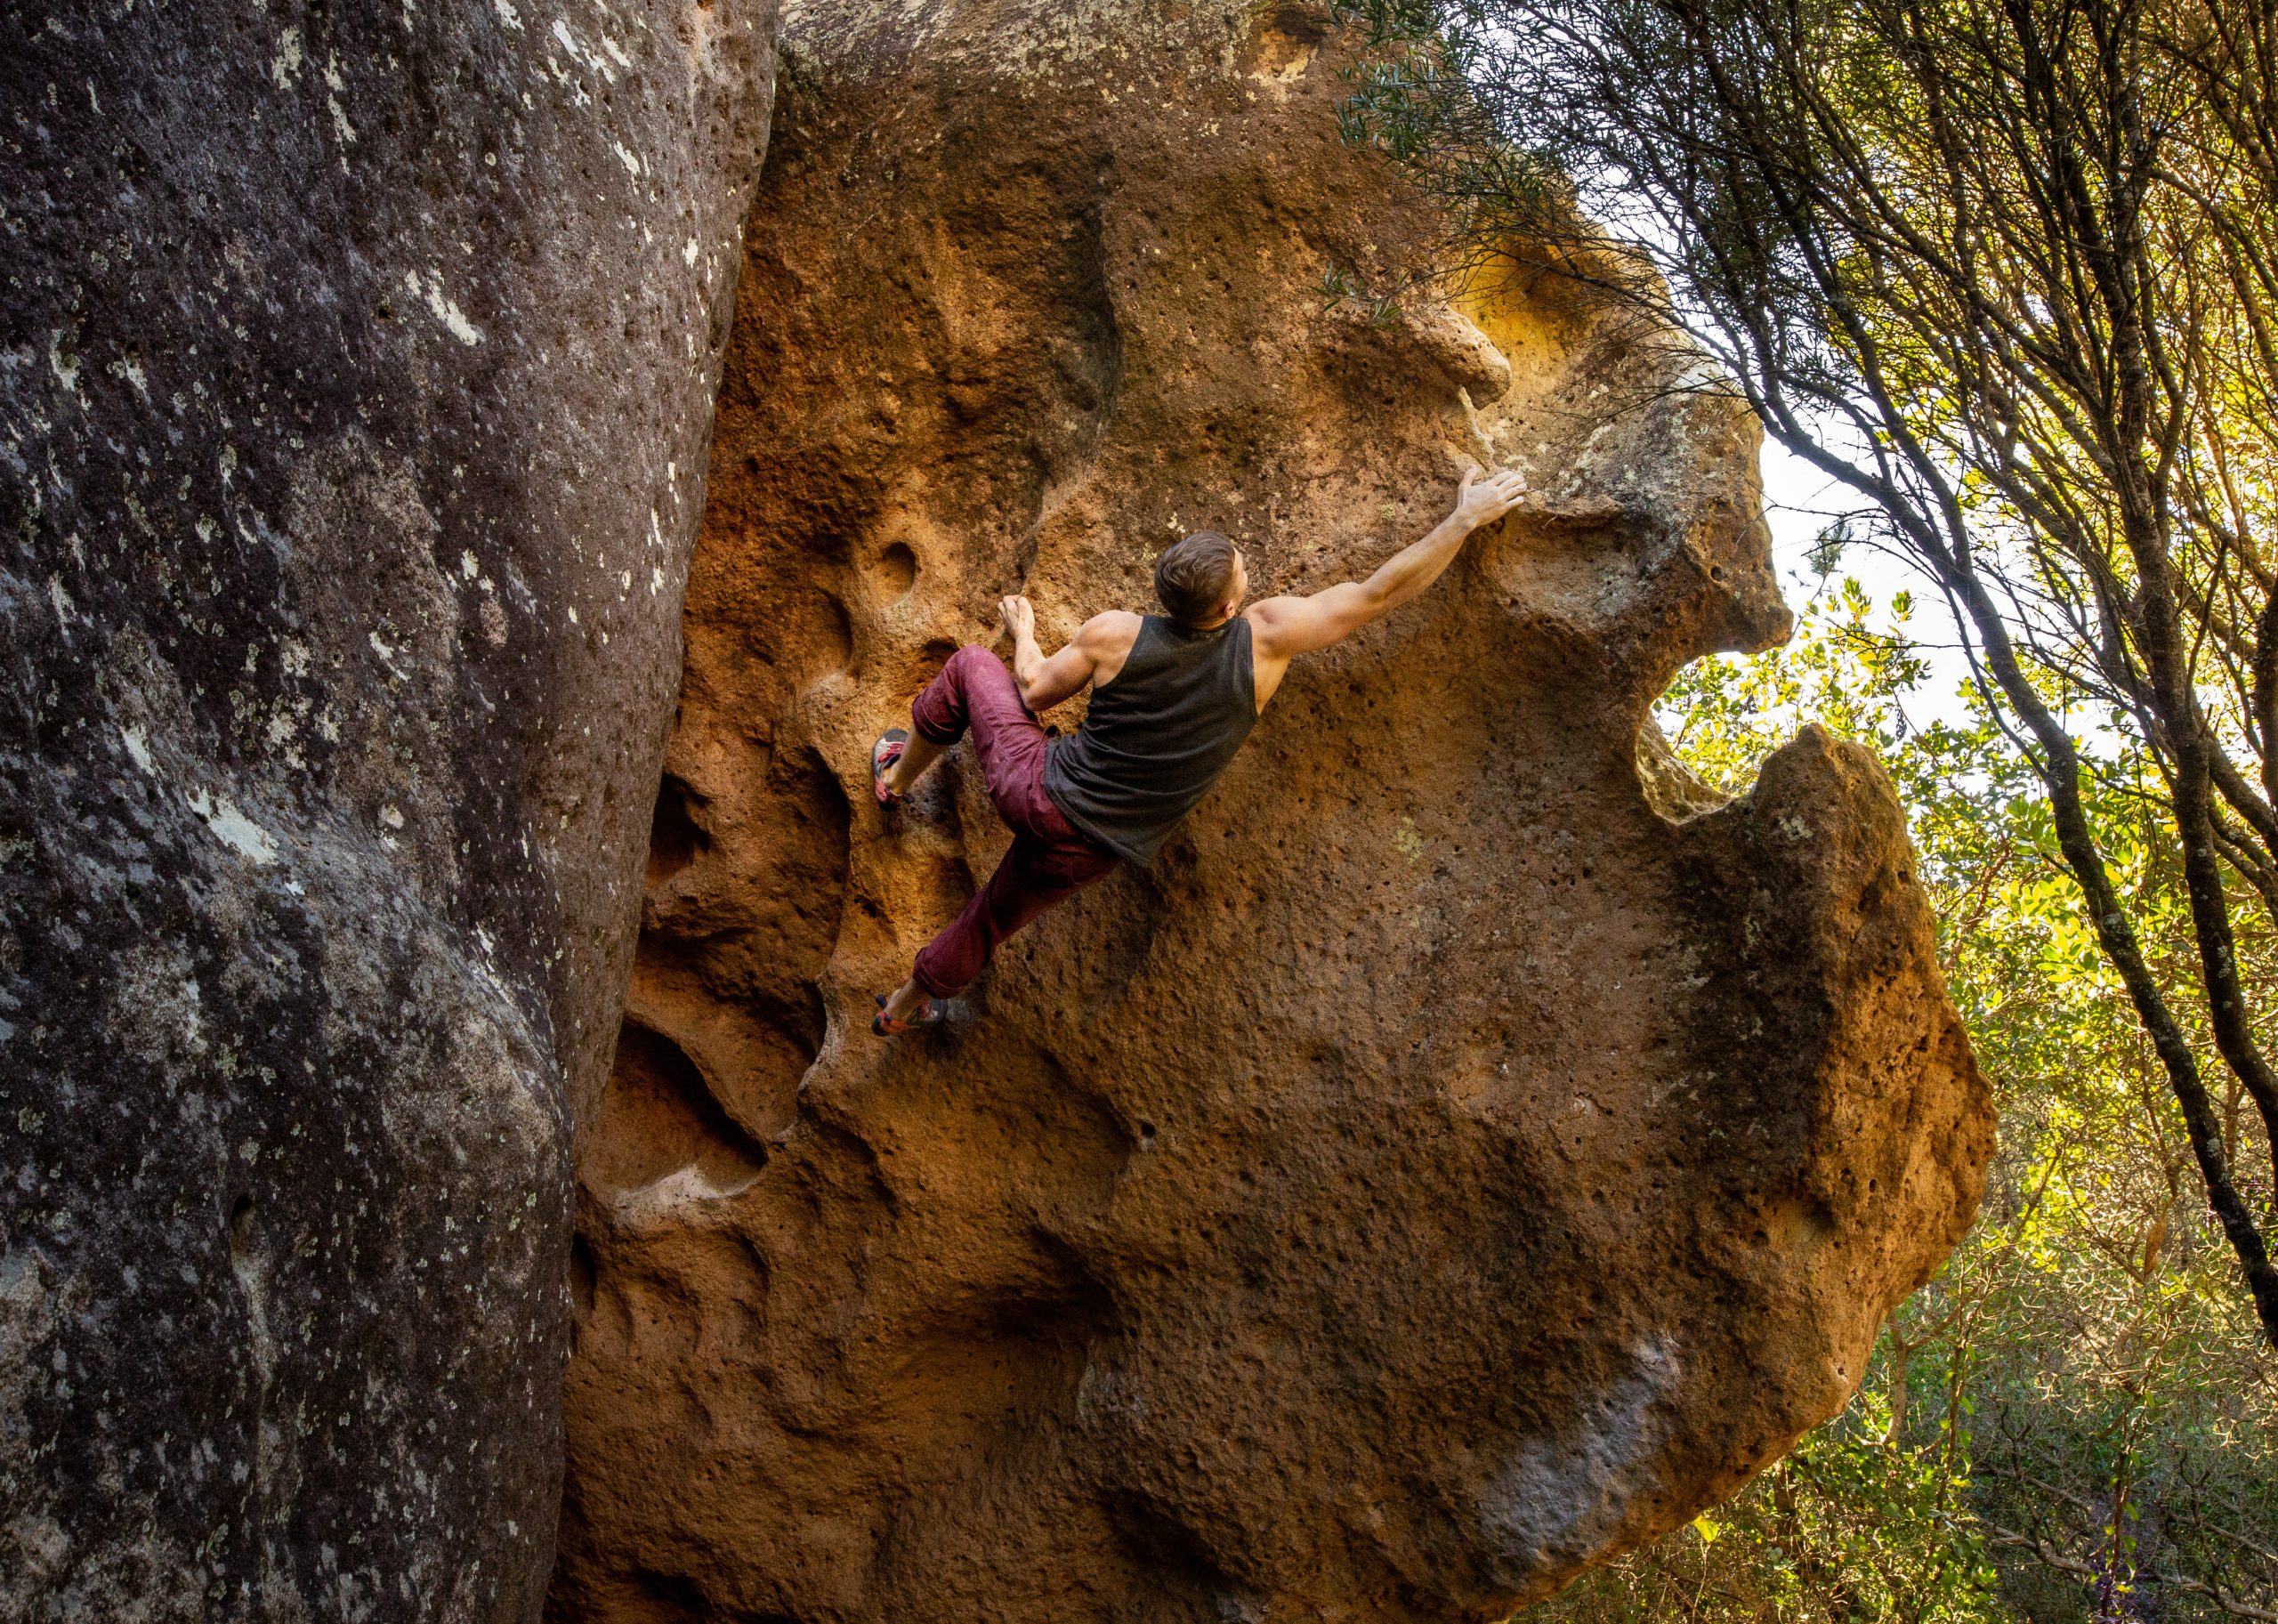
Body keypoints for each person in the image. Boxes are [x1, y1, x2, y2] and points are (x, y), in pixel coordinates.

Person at [867, 465, 1531, 1036]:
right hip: (1091, 848)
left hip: (1033, 785)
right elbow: (1378, 593)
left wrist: (1024, 630)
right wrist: (1464, 519)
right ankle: (901, 1010)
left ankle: (896, 778)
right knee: (989, 921)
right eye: (1241, 575)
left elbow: (1034, 688)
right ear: (1228, 607)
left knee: (972, 664)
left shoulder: (1117, 634)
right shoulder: (1263, 643)